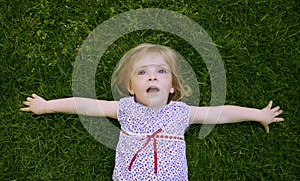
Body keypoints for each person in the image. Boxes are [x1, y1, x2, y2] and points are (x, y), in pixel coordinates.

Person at [20, 43, 284, 180]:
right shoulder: (124, 109)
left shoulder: (181, 112)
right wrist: (47, 106)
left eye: (161, 72)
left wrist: (258, 114)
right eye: (142, 72)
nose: (152, 77)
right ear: (131, 88)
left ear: (172, 87)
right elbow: (84, 105)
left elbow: (221, 113)